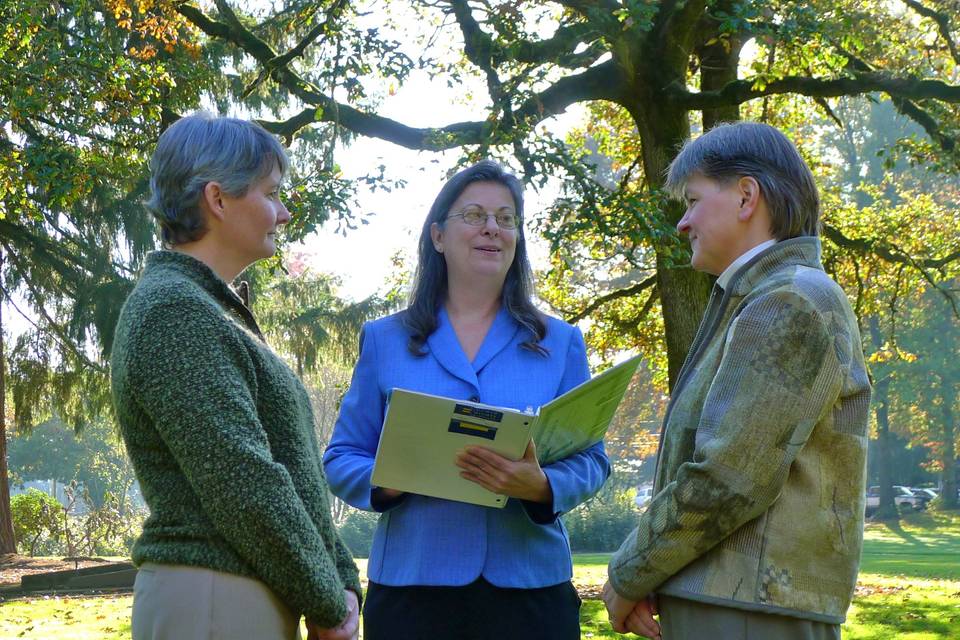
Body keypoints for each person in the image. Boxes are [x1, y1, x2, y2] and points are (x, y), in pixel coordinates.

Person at [602, 122, 871, 640]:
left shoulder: (788, 299)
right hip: (739, 603)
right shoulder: (763, 298)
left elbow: (730, 476)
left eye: (693, 200)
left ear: (746, 196)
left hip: (750, 612)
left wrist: (629, 574)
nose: (683, 223)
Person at [323, 160, 611, 640]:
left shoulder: (561, 343)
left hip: (531, 591)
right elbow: (341, 457)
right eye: (474, 215)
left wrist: (541, 486)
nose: (492, 229)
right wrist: (389, 480)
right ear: (438, 236)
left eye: (506, 218)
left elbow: (592, 461)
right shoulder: (384, 340)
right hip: (414, 592)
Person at [110, 114, 361, 640]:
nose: (285, 213)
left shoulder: (207, 309)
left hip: (238, 594)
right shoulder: (174, 310)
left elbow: (293, 474)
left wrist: (340, 581)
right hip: (212, 601)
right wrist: (326, 599)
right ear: (218, 200)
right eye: (272, 193)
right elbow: (242, 477)